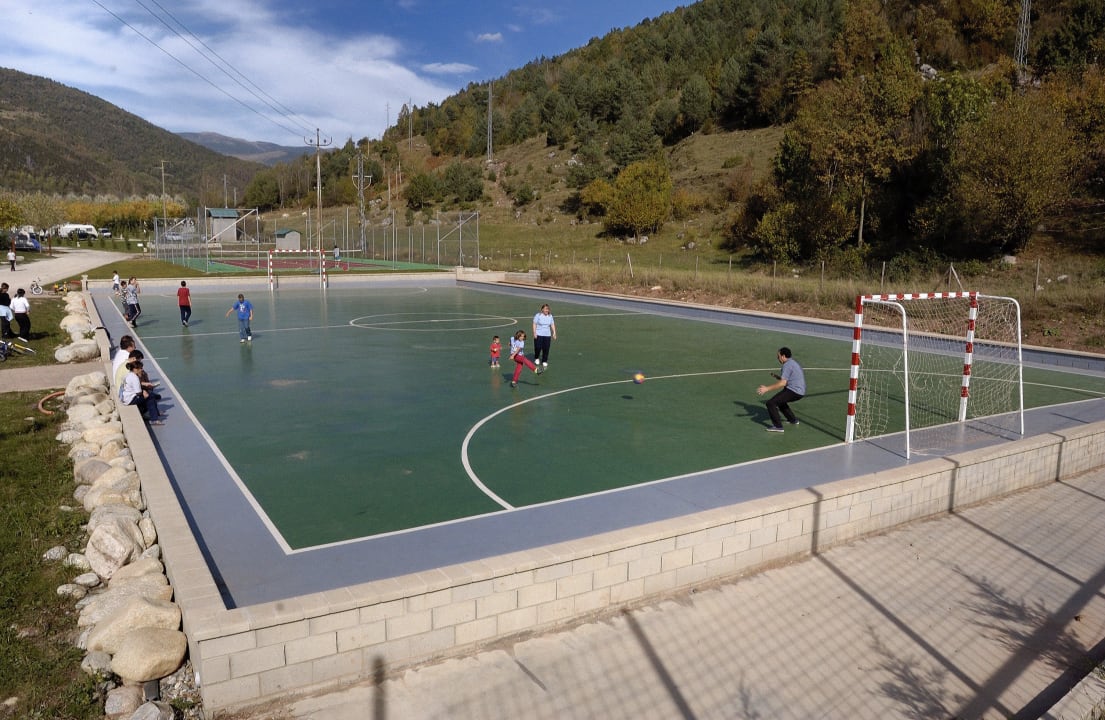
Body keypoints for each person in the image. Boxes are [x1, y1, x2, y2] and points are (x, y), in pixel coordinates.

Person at [757, 347, 806, 432]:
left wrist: (766, 389)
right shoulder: (793, 363)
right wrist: (778, 377)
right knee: (781, 402)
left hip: (794, 390)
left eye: (778, 356)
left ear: (783, 356)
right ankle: (793, 420)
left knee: (770, 403)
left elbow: (783, 383)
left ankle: (778, 426)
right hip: (800, 391)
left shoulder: (787, 365)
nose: (778, 358)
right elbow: (788, 380)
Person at [119, 360, 164, 425]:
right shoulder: (135, 378)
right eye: (140, 368)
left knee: (148, 395)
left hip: (125, 398)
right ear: (135, 369)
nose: (142, 369)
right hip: (130, 400)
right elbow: (138, 393)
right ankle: (154, 419)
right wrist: (144, 392)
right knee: (150, 396)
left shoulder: (128, 375)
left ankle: (154, 413)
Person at [532, 304, 557, 369]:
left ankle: (544, 360)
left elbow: (552, 324)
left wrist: (554, 332)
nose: (547, 310)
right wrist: (534, 332)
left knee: (546, 348)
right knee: (538, 347)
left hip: (547, 335)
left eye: (548, 309)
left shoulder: (550, 316)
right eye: (545, 309)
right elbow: (534, 323)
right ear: (542, 309)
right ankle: (537, 358)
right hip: (539, 334)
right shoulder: (538, 315)